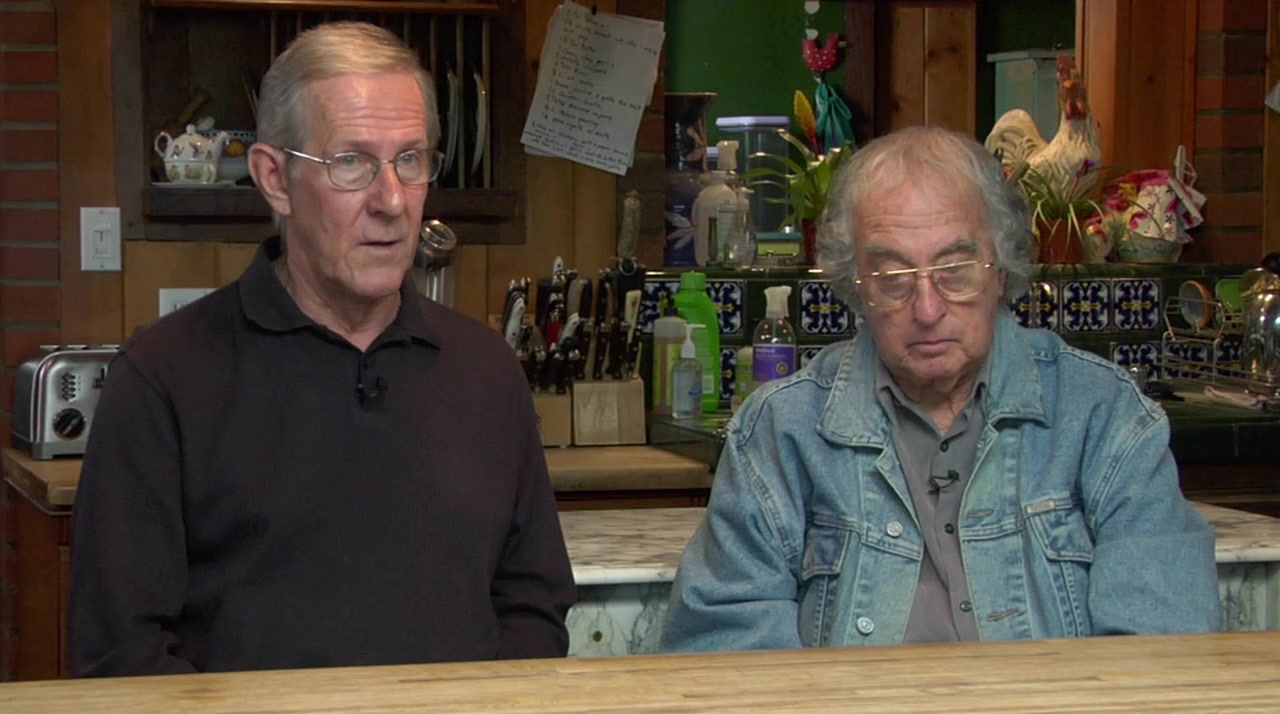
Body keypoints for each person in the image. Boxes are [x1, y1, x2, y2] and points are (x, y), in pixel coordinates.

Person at [69, 22, 575, 676]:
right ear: (274, 179)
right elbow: (120, 652)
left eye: (410, 160)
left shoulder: (486, 371)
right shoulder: (163, 378)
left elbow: (533, 604)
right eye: (351, 163)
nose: (391, 201)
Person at [661, 126, 1219, 652]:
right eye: (893, 278)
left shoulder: (1103, 414)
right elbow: (725, 653)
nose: (927, 310)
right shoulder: (780, 430)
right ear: (855, 287)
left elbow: (1161, 649)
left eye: (955, 269)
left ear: (1001, 269)